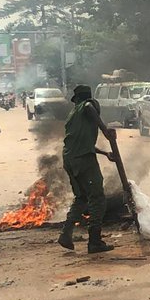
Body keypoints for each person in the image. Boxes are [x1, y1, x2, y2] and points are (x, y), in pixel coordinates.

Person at [58, 84, 118, 254]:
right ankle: (95, 241)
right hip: (84, 160)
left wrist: (105, 152)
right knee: (97, 198)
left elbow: (83, 143)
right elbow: (89, 106)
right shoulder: (86, 106)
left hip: (70, 158)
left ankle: (66, 234)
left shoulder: (72, 115)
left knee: (81, 197)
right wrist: (105, 130)